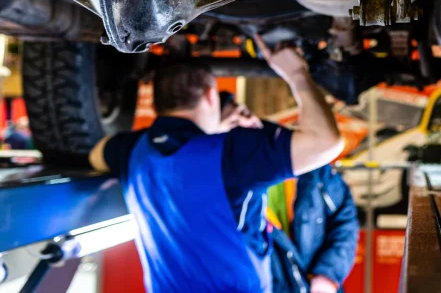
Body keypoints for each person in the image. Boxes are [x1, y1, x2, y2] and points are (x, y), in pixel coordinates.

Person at [88, 36, 344, 293]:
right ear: (211, 95)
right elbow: (325, 142)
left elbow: (96, 155)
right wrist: (296, 73)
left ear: (157, 104)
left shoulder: (132, 150)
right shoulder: (230, 154)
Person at [266, 162, 359, 293]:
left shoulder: (317, 168)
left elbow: (345, 223)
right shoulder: (236, 173)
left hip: (321, 283)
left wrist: (328, 275)